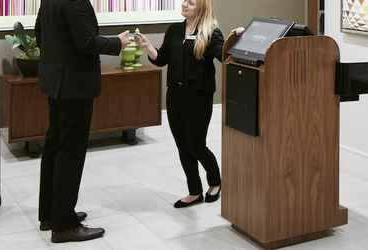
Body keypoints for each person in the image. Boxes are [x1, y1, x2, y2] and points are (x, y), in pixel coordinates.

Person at [34, 0, 129, 243]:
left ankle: (50, 214)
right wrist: (118, 42)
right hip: (74, 87)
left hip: (55, 83)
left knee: (54, 148)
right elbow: (86, 42)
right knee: (70, 153)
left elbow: (39, 34)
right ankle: (64, 225)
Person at [136, 0, 243, 208]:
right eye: (184, 1)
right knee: (183, 146)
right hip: (175, 95)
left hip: (198, 97)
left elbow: (224, 56)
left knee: (196, 144)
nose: (184, 4)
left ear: (201, 8)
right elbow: (161, 59)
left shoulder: (212, 32)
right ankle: (194, 191)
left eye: (191, 3)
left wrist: (234, 38)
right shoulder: (174, 30)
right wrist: (147, 46)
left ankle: (215, 181)